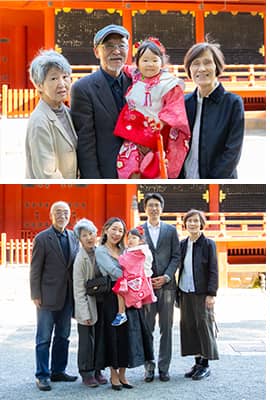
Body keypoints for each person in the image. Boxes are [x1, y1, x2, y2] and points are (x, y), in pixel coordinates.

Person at [114, 38, 190, 179]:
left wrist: (162, 122)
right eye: (145, 60)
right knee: (128, 165)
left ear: (162, 62)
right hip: (134, 132)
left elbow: (175, 107)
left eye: (154, 60)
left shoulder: (169, 83)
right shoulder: (137, 75)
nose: (150, 64)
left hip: (155, 132)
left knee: (155, 168)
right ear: (138, 63)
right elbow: (125, 68)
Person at [95, 218, 154, 390]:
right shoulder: (101, 251)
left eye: (120, 231)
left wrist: (135, 275)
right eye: (114, 229)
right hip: (112, 298)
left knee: (128, 336)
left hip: (130, 296)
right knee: (113, 336)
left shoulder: (125, 249)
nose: (117, 234)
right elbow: (113, 272)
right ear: (106, 229)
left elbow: (142, 264)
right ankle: (113, 375)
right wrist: (133, 274)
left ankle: (122, 374)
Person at [29, 201, 79, 391]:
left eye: (65, 212)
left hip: (67, 296)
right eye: (58, 212)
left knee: (63, 335)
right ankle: (42, 375)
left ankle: (58, 370)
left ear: (69, 215)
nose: (62, 215)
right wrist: (35, 294)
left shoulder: (73, 236)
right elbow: (35, 269)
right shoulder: (42, 238)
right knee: (43, 337)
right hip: (47, 296)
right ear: (51, 215)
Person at [70, 24, 131, 178]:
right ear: (97, 52)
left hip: (136, 173)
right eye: (109, 46)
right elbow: (85, 144)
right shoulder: (83, 89)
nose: (116, 51)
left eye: (121, 46)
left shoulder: (137, 83)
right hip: (106, 173)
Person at [181, 42, 245, 178]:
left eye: (207, 62)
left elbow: (232, 152)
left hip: (218, 179)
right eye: (196, 63)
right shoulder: (184, 103)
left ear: (217, 67)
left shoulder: (232, 103)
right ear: (189, 70)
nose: (202, 69)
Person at [141, 193, 180, 382]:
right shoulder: (138, 231)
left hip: (167, 287)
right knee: (147, 328)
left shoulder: (171, 230)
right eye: (150, 205)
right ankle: (148, 367)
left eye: (157, 205)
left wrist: (166, 276)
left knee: (166, 327)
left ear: (161, 208)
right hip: (147, 287)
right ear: (145, 208)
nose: (154, 208)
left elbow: (176, 256)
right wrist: (147, 279)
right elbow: (133, 257)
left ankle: (164, 367)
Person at [178, 210, 219, 380]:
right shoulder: (182, 244)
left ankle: (205, 364)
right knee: (189, 326)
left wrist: (211, 293)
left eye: (196, 221)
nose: (193, 224)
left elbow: (213, 270)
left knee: (204, 325)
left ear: (201, 223)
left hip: (202, 292)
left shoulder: (209, 244)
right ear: (185, 224)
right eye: (189, 221)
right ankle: (197, 362)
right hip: (185, 291)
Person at [25, 50, 78, 179]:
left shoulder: (66, 111)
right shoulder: (39, 122)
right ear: (40, 85)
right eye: (54, 78)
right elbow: (47, 174)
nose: (62, 84)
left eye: (65, 77)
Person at [72, 218, 108, 387]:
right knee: (87, 340)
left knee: (100, 337)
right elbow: (78, 290)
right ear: (79, 239)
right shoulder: (80, 259)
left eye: (91, 233)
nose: (89, 238)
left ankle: (98, 369)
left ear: (97, 234)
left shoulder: (102, 251)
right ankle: (86, 372)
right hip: (87, 303)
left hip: (102, 301)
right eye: (84, 235)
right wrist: (84, 313)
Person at [111, 228, 156, 326]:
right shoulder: (137, 251)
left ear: (141, 240)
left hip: (135, 278)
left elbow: (126, 262)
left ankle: (121, 313)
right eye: (129, 238)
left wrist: (116, 257)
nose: (130, 240)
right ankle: (121, 313)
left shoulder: (139, 252)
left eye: (134, 238)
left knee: (121, 291)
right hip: (136, 278)